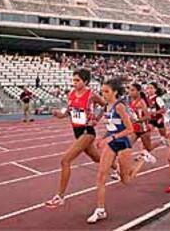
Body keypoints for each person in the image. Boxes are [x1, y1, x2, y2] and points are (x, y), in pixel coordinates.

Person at [87, 77, 147, 224]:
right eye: (102, 91)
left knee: (126, 180)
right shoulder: (105, 106)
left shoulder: (119, 107)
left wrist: (111, 138)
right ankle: (100, 210)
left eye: (106, 91)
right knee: (101, 176)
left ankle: (142, 158)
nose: (104, 94)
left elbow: (130, 129)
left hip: (123, 143)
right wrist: (102, 138)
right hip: (111, 143)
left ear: (115, 92)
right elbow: (110, 127)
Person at [45, 69, 106, 208]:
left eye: (77, 80)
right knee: (96, 158)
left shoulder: (91, 95)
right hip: (77, 131)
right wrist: (58, 114)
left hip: (87, 131)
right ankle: (116, 168)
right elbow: (68, 112)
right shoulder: (71, 94)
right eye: (73, 80)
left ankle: (60, 196)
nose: (75, 83)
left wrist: (97, 118)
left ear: (85, 82)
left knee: (65, 160)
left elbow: (105, 105)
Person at [127, 83, 156, 163]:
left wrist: (137, 120)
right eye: (129, 90)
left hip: (143, 129)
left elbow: (148, 117)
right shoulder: (132, 101)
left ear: (138, 91)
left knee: (149, 148)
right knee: (127, 147)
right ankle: (121, 169)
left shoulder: (142, 102)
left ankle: (161, 141)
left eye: (132, 90)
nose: (130, 92)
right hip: (135, 129)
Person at [146, 82, 168, 146]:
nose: (149, 90)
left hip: (159, 119)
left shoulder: (158, 98)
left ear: (155, 90)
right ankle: (145, 152)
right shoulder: (146, 99)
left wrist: (154, 112)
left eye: (151, 88)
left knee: (164, 137)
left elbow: (163, 110)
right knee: (146, 135)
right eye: (148, 88)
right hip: (151, 120)